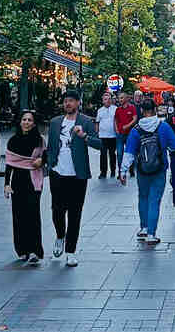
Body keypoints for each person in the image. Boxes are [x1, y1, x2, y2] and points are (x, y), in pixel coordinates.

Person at [44, 90, 101, 267]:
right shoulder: (54, 123)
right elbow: (51, 146)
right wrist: (47, 163)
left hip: (78, 175)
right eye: (65, 101)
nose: (67, 104)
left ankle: (71, 251)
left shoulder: (85, 121)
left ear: (78, 103)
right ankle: (60, 235)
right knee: (57, 210)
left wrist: (84, 136)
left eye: (71, 101)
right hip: (57, 172)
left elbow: (99, 144)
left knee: (75, 213)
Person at [119, 98, 175, 244]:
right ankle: (151, 234)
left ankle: (144, 227)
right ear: (155, 110)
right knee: (155, 200)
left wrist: (123, 171)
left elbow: (129, 152)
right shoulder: (163, 126)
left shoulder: (136, 130)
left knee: (143, 197)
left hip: (142, 169)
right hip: (159, 168)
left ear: (142, 111)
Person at [3, 110, 45, 265]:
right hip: (18, 181)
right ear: (20, 122)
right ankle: (22, 250)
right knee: (18, 216)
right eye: (24, 119)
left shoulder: (39, 140)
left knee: (33, 215)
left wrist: (41, 160)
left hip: (34, 180)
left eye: (29, 120)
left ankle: (35, 251)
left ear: (34, 123)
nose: (26, 122)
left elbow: (46, 156)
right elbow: (9, 164)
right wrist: (7, 184)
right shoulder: (13, 141)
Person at [114, 90, 138, 177]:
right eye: (119, 98)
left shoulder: (132, 108)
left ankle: (131, 170)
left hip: (130, 134)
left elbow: (135, 119)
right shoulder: (118, 109)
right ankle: (120, 171)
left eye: (121, 98)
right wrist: (116, 129)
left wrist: (127, 126)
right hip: (120, 134)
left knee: (130, 152)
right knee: (120, 153)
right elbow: (115, 120)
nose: (119, 100)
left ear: (126, 98)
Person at [96, 92, 118, 179]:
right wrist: (97, 133)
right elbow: (97, 122)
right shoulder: (100, 110)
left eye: (109, 99)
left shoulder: (115, 109)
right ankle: (103, 172)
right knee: (103, 154)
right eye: (105, 99)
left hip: (113, 136)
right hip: (103, 136)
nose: (107, 101)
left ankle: (113, 171)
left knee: (112, 154)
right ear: (102, 101)